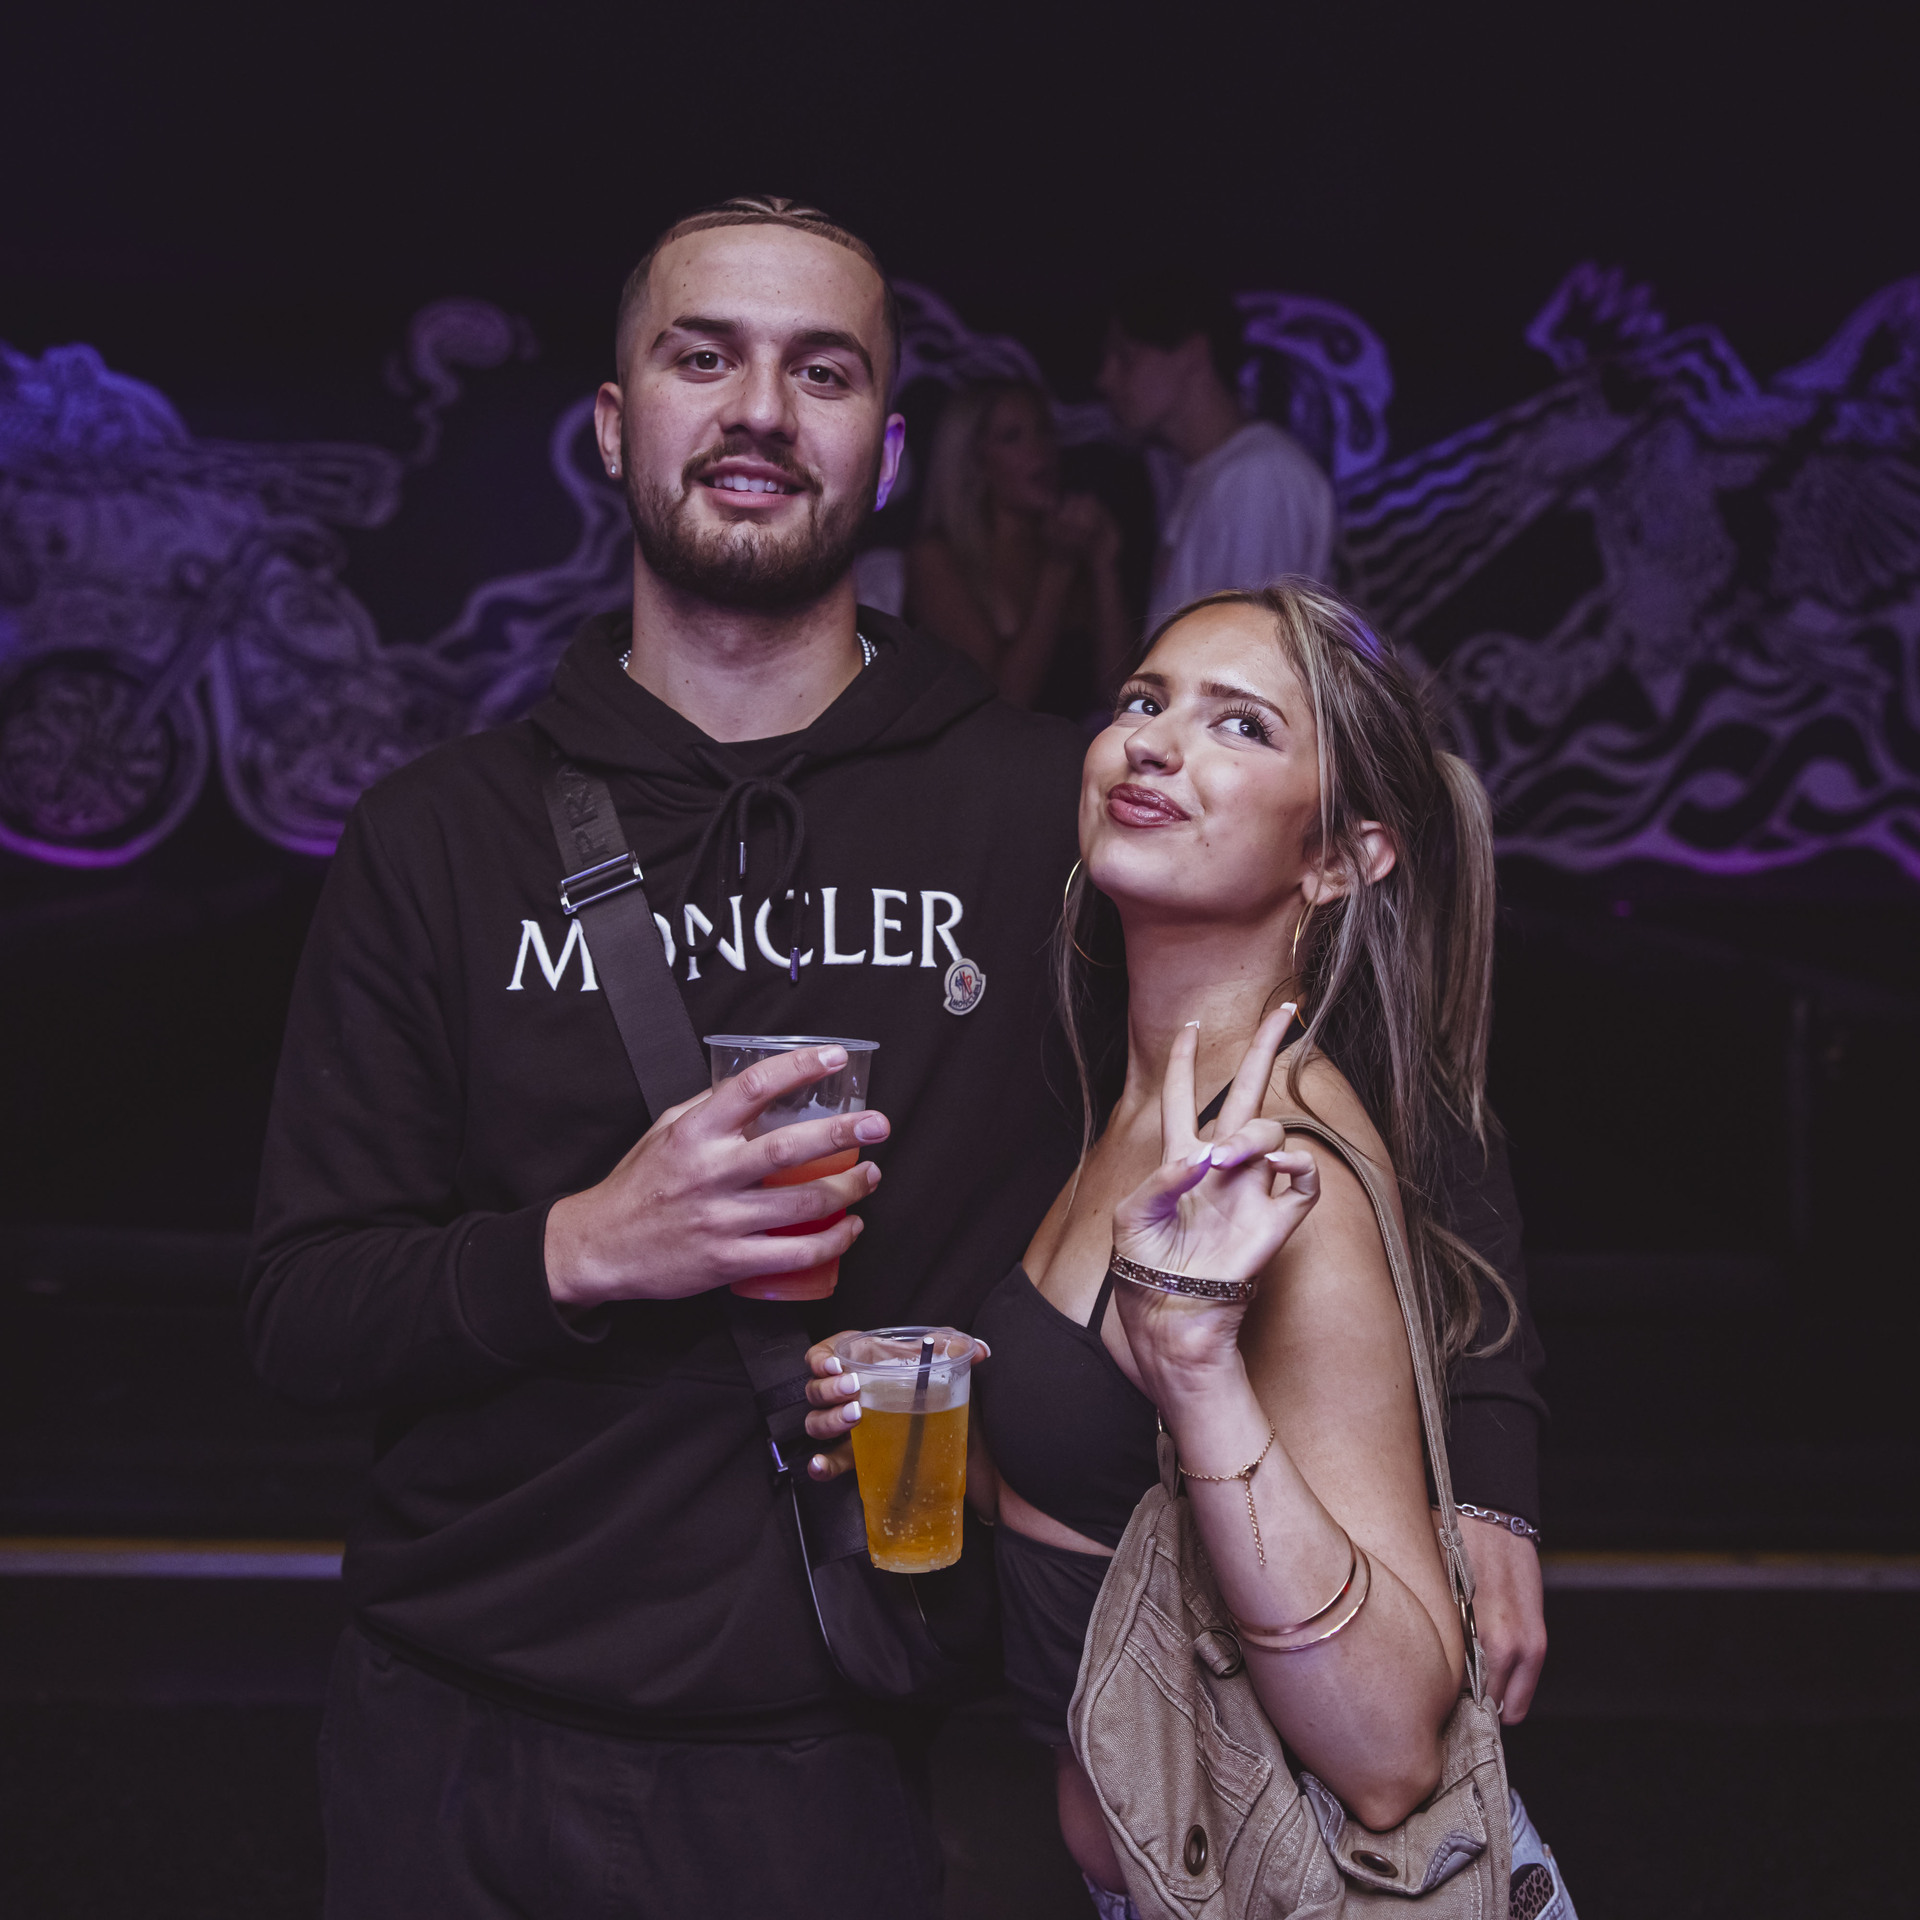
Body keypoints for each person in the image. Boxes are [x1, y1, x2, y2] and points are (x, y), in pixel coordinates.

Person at [243, 193, 1542, 1918]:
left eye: (823, 370)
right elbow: (300, 1312)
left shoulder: (1049, 809)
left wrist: (1489, 1483)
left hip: (857, 1758)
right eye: (702, 359)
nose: (758, 410)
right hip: (455, 1734)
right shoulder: (438, 837)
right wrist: (589, 1247)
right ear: (615, 425)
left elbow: (1367, 1064)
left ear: (887, 447)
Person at [804, 581, 1562, 1912]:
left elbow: (1390, 1750)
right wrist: (932, 1417)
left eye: (1241, 725)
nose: (1153, 742)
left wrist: (1198, 1367)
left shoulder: (1281, 1178)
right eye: (1143, 701)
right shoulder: (1140, 1105)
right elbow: (1104, 1500)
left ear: (1341, 861)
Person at [1098, 272, 1339, 630]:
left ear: (1192, 353)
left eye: (1126, 356)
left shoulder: (1258, 476)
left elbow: (1249, 648)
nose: (1105, 378)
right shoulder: (1208, 473)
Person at [906, 379, 1131, 717]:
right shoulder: (936, 558)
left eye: (1044, 430)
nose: (1040, 450)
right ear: (976, 462)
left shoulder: (1066, 541)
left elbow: (1123, 698)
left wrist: (1104, 565)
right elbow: (1002, 703)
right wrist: (1057, 571)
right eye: (1012, 437)